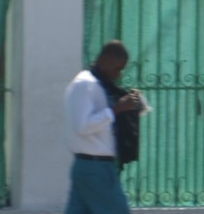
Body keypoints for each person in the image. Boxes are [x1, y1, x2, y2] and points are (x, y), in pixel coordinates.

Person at [64, 40, 149, 214]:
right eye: (118, 68)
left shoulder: (101, 85)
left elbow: (114, 116)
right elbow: (82, 126)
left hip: (93, 168)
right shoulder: (84, 84)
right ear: (106, 60)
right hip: (95, 168)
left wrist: (133, 104)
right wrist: (116, 109)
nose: (118, 74)